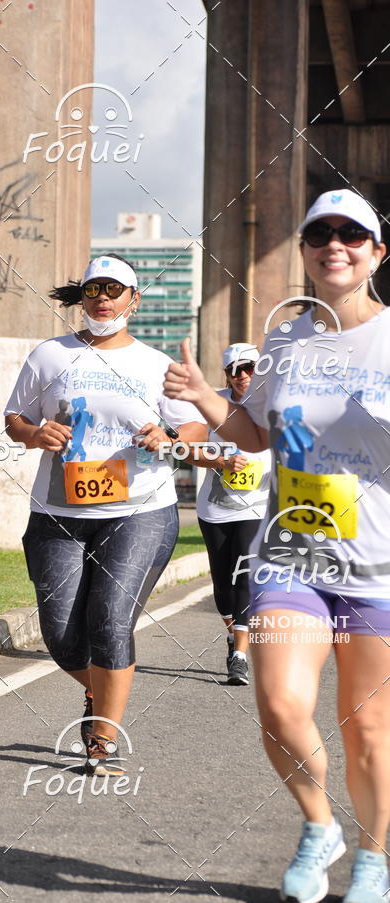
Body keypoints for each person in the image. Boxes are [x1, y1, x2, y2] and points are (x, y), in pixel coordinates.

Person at [164, 189, 390, 903]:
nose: (335, 244)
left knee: (371, 731)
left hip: (377, 563)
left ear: (377, 252)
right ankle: (320, 824)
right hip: (290, 555)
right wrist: (205, 395)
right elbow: (255, 433)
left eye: (351, 233)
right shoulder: (288, 338)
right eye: (319, 233)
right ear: (304, 250)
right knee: (281, 706)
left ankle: (374, 857)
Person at [4, 254, 204, 776]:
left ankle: (104, 739)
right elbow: (15, 419)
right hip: (57, 511)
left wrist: (170, 436)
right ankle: (101, 689)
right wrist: (34, 434)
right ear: (84, 297)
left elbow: (196, 428)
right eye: (94, 289)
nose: (102, 299)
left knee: (111, 618)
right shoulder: (50, 356)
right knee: (60, 633)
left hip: (140, 510)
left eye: (114, 290)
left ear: (133, 301)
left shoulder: (157, 364)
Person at [194, 343, 271, 686]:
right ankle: (233, 633)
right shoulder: (212, 403)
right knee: (222, 586)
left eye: (249, 367)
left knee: (245, 578)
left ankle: (239, 655)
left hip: (258, 506)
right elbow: (189, 451)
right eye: (234, 370)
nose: (242, 375)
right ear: (226, 374)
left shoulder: (275, 402)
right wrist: (220, 461)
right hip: (215, 509)